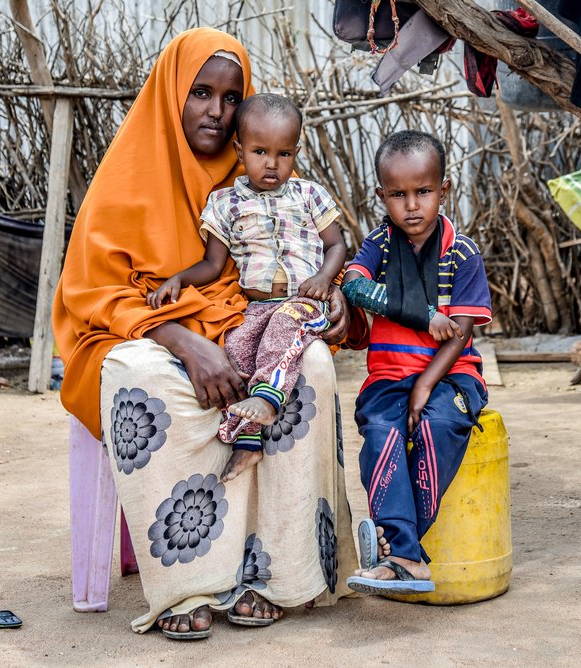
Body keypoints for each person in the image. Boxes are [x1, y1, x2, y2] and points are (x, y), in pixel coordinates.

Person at [53, 28, 357, 639]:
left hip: (240, 324)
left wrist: (337, 291)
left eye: (229, 96)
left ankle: (279, 576)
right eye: (200, 93)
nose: (215, 112)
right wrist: (184, 342)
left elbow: (301, 256)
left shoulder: (255, 175)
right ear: (172, 93)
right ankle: (185, 588)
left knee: (313, 367)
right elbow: (92, 292)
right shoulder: (126, 178)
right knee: (139, 378)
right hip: (144, 333)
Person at [146, 93, 346, 482]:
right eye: (259, 151)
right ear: (239, 149)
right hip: (255, 307)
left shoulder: (309, 195)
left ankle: (268, 401)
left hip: (303, 302)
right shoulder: (224, 203)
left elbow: (337, 245)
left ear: (296, 152)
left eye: (284, 154)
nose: (272, 164)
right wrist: (178, 279)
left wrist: (324, 278)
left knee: (285, 325)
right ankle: (248, 442)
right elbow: (212, 264)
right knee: (237, 350)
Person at [340, 130, 492, 595]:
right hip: (387, 378)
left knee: (435, 425)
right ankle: (406, 557)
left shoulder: (461, 252)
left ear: (443, 190)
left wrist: (426, 384)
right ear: (381, 196)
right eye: (398, 195)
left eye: (423, 192)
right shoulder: (381, 244)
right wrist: (423, 315)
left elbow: (461, 331)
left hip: (452, 375)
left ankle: (398, 552)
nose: (411, 205)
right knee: (383, 434)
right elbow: (353, 285)